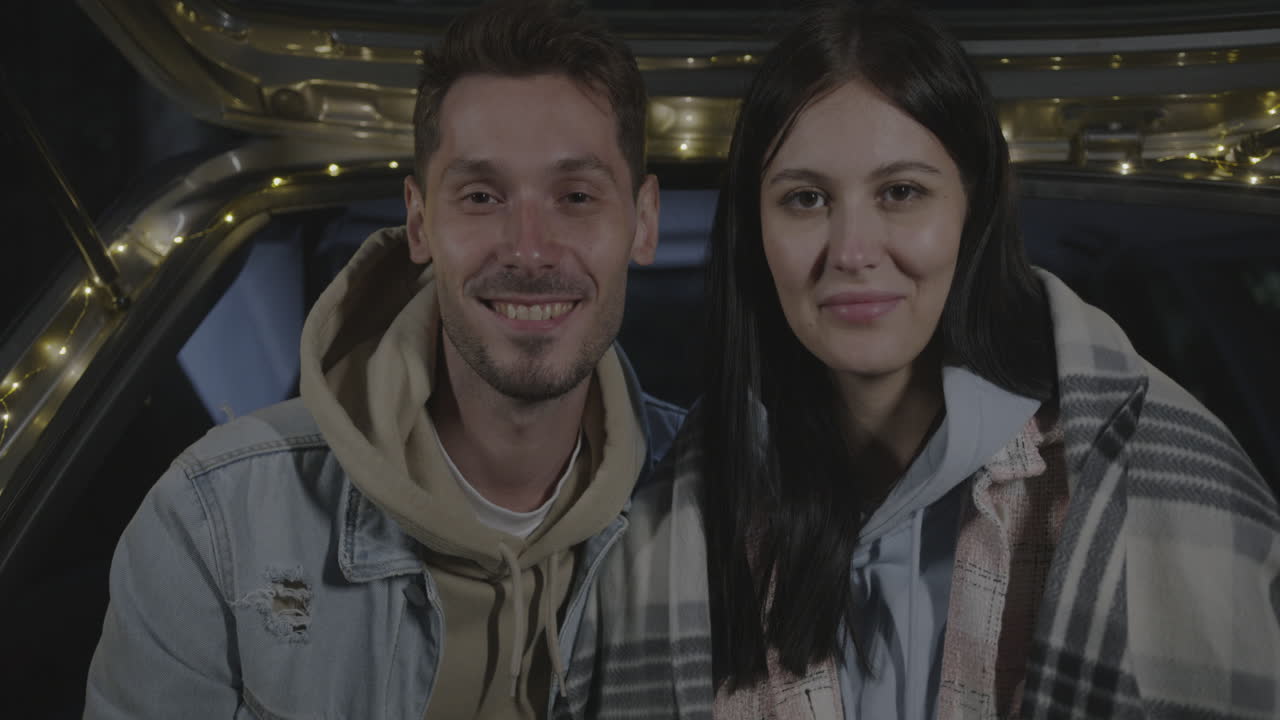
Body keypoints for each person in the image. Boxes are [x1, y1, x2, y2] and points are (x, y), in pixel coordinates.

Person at [576, 3, 1280, 719]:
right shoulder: (672, 524)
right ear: (755, 228)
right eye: (806, 198)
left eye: (901, 192)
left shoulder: (1171, 483)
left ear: (975, 207)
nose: (852, 251)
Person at [83, 1, 685, 718]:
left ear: (644, 221)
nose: (529, 249)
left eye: (577, 196)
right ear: (419, 222)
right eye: (481, 195)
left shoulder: (732, 509)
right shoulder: (219, 522)